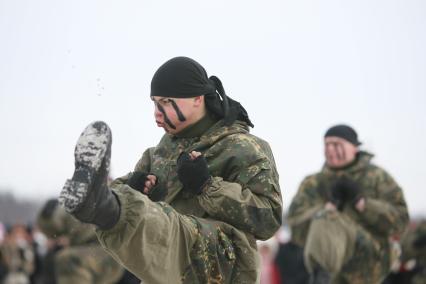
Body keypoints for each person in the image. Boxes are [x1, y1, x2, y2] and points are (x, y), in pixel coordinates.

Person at [58, 56, 283, 283]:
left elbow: (269, 219)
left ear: (197, 98)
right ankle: (103, 204)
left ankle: (104, 207)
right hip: (167, 276)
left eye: (165, 102)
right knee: (128, 213)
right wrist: (132, 190)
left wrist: (208, 186)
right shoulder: (156, 155)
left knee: (176, 229)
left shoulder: (242, 147)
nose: (156, 112)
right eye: (155, 103)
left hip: (224, 266)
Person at [287, 124, 409, 284]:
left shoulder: (377, 178)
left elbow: (400, 222)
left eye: (337, 144)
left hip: (369, 259)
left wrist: (362, 203)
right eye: (327, 145)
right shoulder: (314, 183)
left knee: (328, 218)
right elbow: (295, 225)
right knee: (327, 217)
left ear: (354, 148)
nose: (330, 149)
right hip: (328, 265)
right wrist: (328, 207)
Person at [37, 198, 124, 284]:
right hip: (92, 255)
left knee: (67, 259)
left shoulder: (74, 216)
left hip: (104, 252)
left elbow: (89, 232)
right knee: (53, 259)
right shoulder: (55, 222)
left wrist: (69, 240)